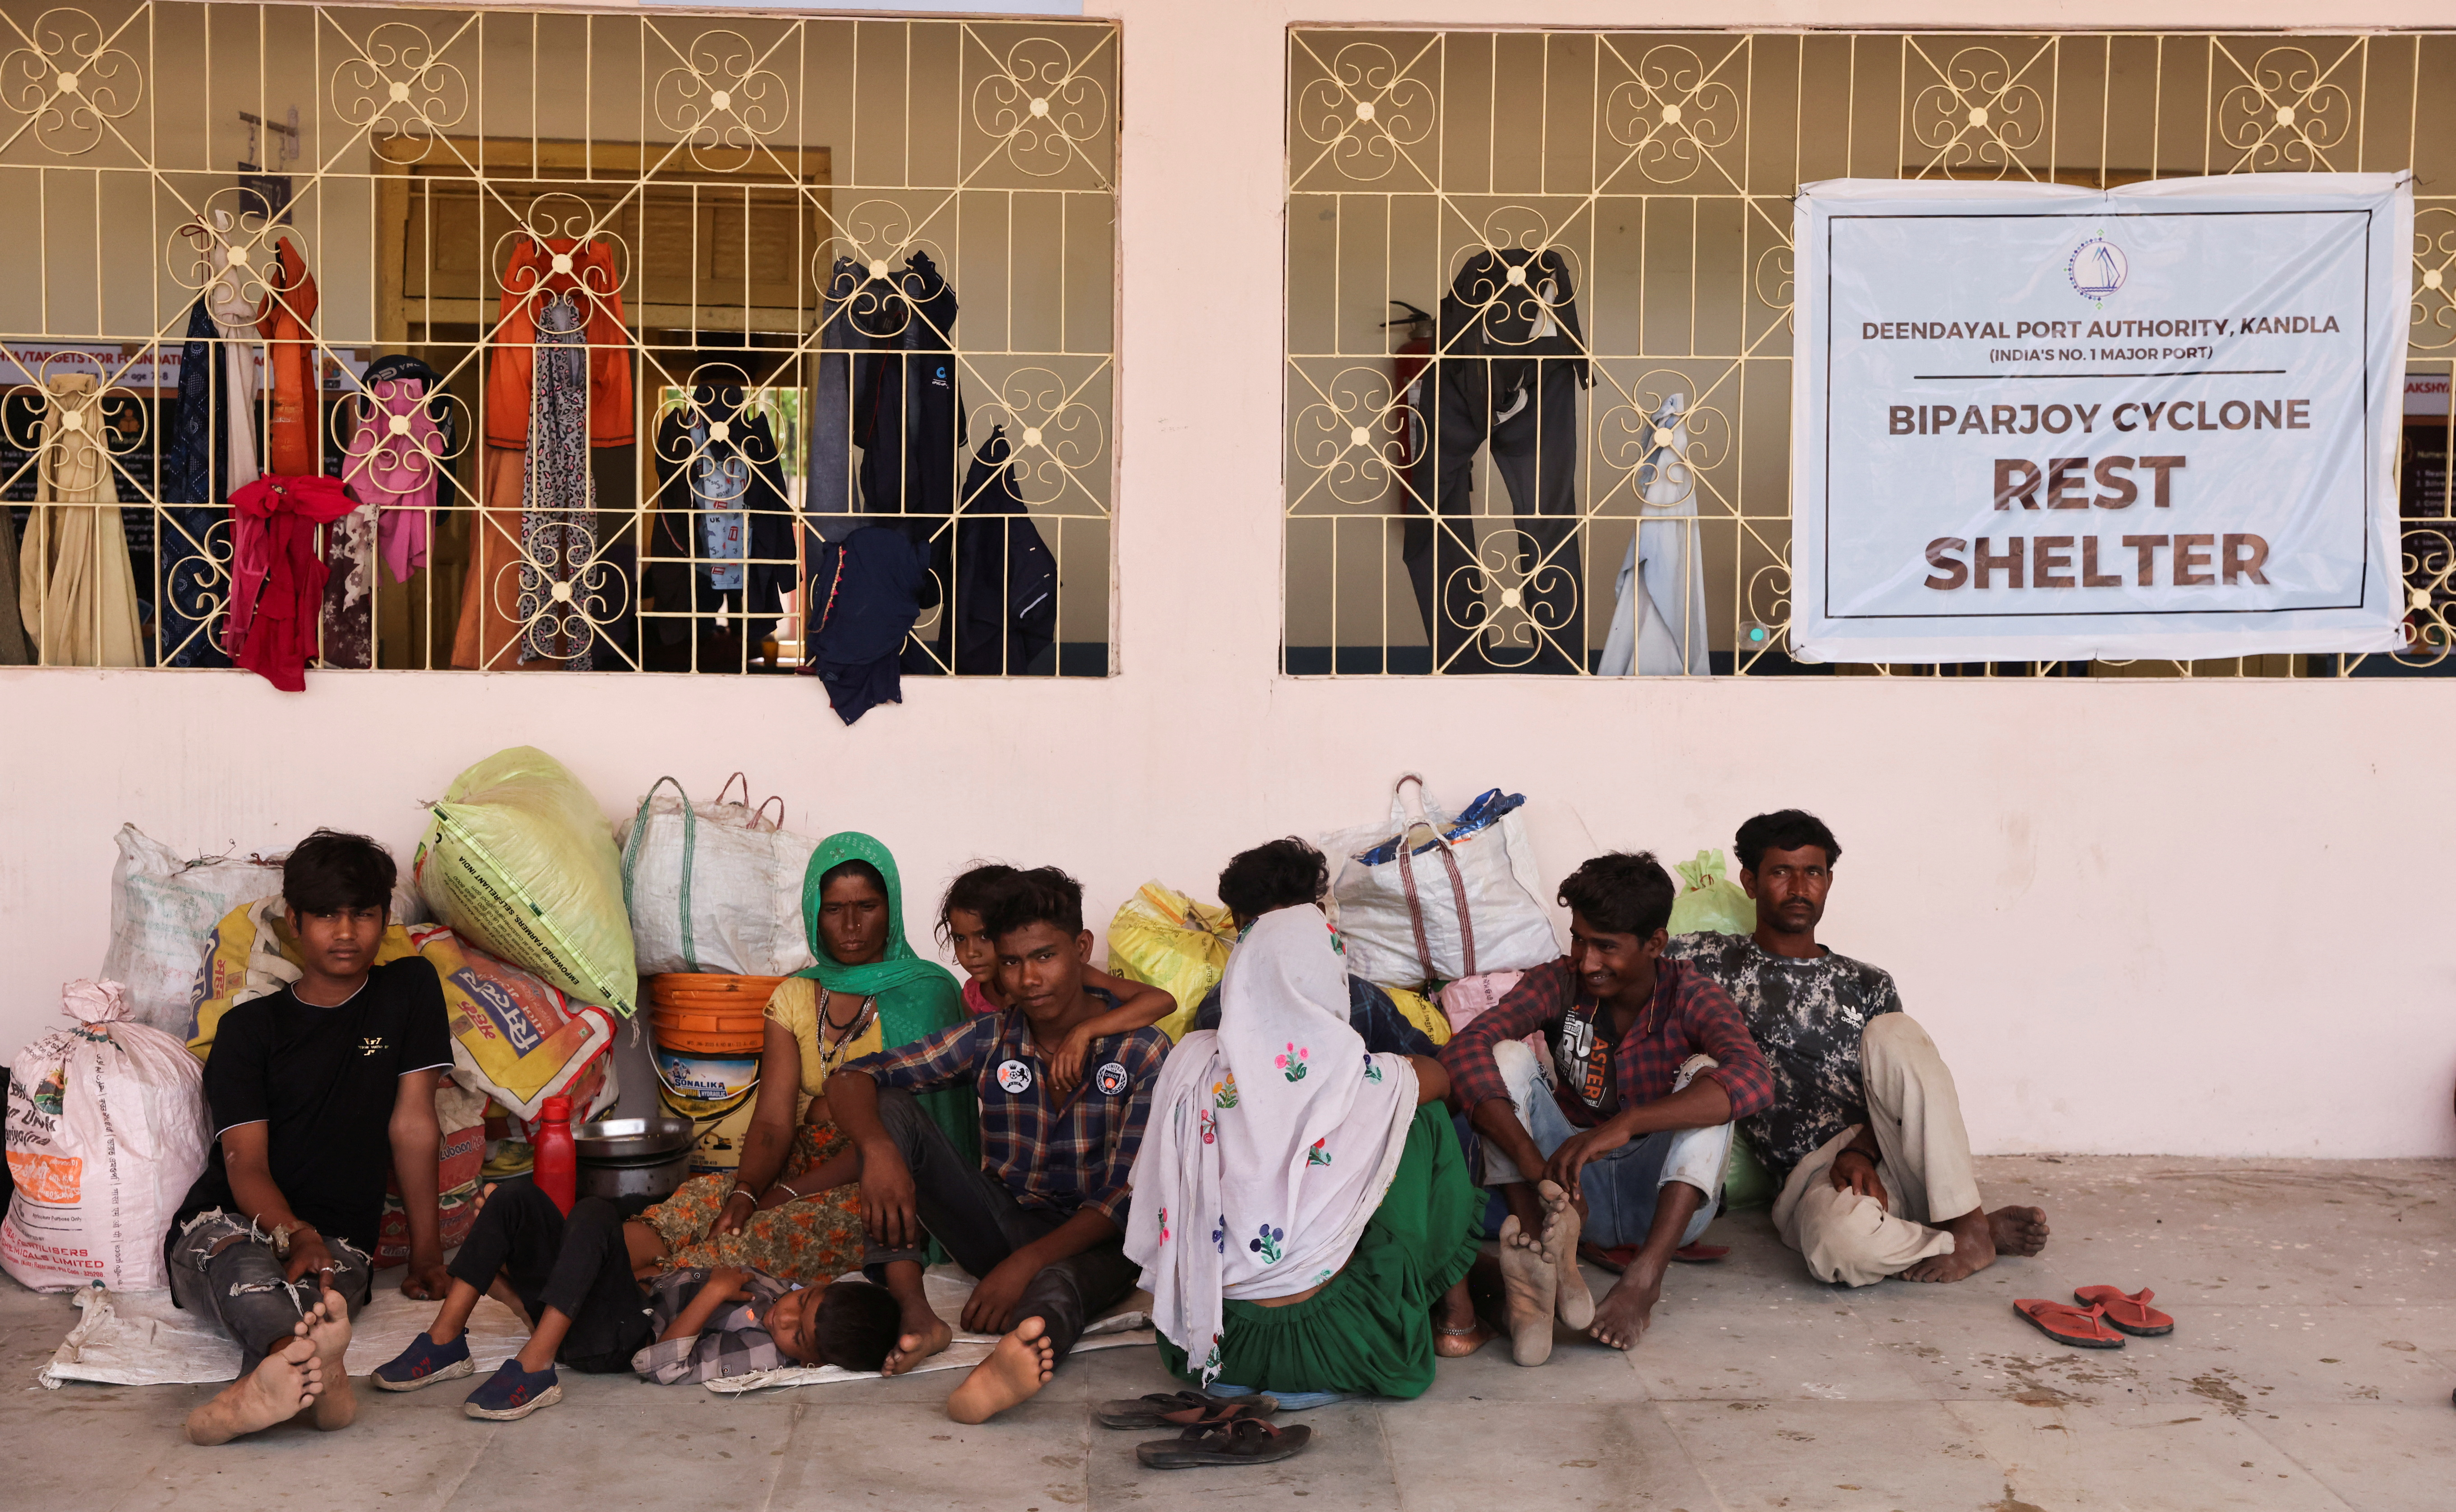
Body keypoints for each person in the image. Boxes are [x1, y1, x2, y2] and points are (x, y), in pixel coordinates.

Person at [827, 867, 1171, 1423]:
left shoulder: (1142, 1051)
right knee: (887, 1108)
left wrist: (1023, 1266)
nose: (1028, 979)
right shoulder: (993, 1037)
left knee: (1061, 1281)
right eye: (1011, 962)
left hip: (1100, 1243)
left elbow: (1124, 1201)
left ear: (1082, 948)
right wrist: (881, 1151)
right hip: (1005, 1225)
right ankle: (917, 1313)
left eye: (1044, 956)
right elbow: (850, 1078)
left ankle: (1015, 1360)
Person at [1664, 810, 2050, 1287]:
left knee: (1895, 1032)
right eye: (1781, 872)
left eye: (1813, 872)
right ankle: (1965, 1236)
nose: (1799, 887)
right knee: (1839, 1248)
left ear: (1828, 882)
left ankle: (1965, 1221)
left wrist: (1863, 1150)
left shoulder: (1867, 982)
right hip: (1813, 1179)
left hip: (1890, 1149)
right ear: (1749, 881)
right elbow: (1633, 947)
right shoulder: (1710, 961)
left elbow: (1902, 1080)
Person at [1129, 904, 1489, 1401]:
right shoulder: (1364, 1076)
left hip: (1211, 1350)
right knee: (1419, 1113)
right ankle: (1457, 1317)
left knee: (1402, 1104)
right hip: (1342, 1346)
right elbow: (1440, 1078)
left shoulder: (1190, 1060)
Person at [164, 830, 452, 1445]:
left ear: (384, 918)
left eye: (363, 914)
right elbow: (244, 1163)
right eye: (325, 914)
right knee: (244, 1264)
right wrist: (295, 1232)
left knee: (322, 1289)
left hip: (340, 1238)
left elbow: (413, 1124)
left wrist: (428, 1254)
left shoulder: (408, 991)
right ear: (294, 921)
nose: (345, 932)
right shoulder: (249, 1031)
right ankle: (312, 1374)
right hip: (229, 1219)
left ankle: (267, 1383)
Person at [1438, 851, 1772, 1364]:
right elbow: (1466, 1048)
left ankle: (1643, 1281)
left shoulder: (1690, 993)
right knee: (1502, 1055)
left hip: (1660, 1202)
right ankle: (1537, 1251)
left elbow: (1754, 1080)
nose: (1586, 960)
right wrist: (1541, 1175)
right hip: (1570, 1195)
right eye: (1578, 938)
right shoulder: (1560, 981)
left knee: (1709, 1075)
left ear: (1654, 944)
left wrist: (1627, 1123)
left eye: (1606, 947)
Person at [690, 832, 979, 1284]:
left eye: (866, 907)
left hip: (880, 1178)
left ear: (892, 910)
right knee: (694, 1207)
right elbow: (771, 1121)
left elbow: (912, 1130)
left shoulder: (927, 993)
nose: (850, 925)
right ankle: (642, 1276)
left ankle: (659, 1287)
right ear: (813, 914)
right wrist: (747, 1190)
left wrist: (785, 1195)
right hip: (794, 1165)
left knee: (753, 1238)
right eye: (833, 909)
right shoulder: (795, 995)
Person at [369, 1180, 903, 1415]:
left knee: (597, 1214)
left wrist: (713, 1292)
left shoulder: (762, 1354)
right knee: (515, 1199)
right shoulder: (773, 1295)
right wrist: (660, 1277)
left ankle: (535, 1364)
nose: (785, 1311)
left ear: (807, 1359)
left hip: (611, 1341)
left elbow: (661, 1365)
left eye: (796, 1329)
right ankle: (444, 1340)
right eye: (803, 1298)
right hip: (614, 1303)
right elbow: (682, 1281)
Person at [1186, 838, 1442, 1057]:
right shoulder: (1216, 1013)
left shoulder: (1363, 999)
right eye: (1264, 931)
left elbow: (1421, 1060)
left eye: (1291, 930)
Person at [940, 861, 1180, 1089]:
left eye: (984, 936)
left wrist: (1084, 1032)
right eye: (960, 938)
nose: (971, 953)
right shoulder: (974, 996)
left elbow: (1162, 1001)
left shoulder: (1071, 973)